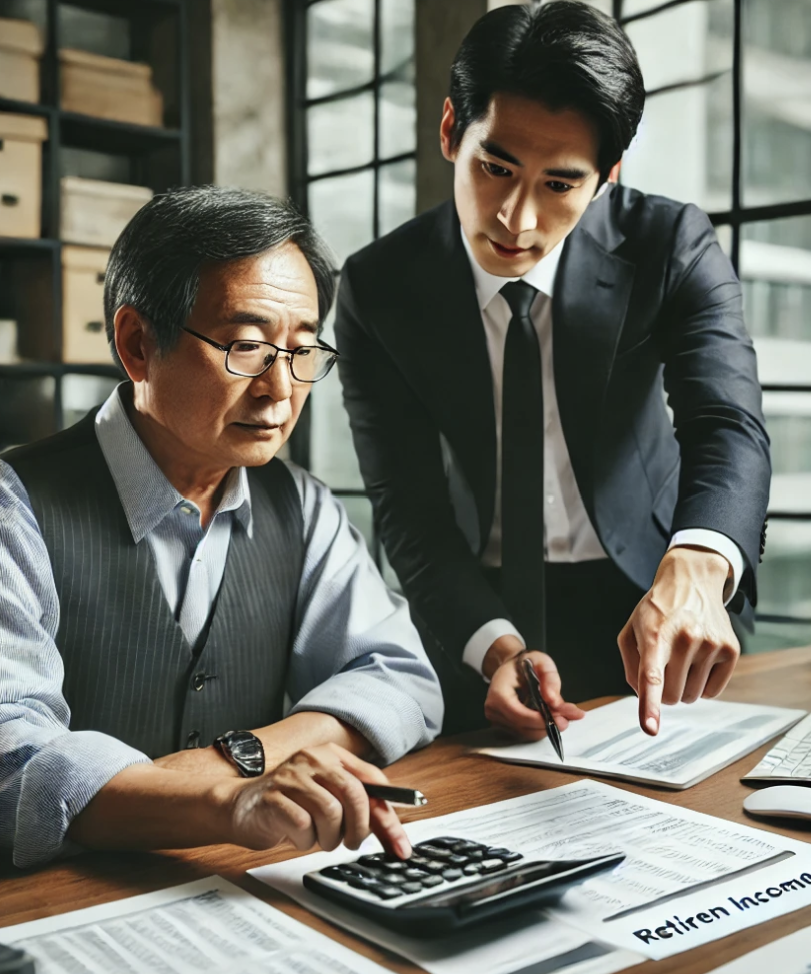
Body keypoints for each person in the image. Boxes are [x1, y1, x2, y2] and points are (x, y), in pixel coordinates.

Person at [336, 1, 770, 738]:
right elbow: (407, 507)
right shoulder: (379, 287)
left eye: (559, 185)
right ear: (450, 131)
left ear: (606, 177)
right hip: (475, 606)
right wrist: (491, 644)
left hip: (655, 597)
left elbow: (725, 423)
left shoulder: (669, 243)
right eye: (494, 167)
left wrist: (697, 565)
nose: (516, 218)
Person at [0, 186, 442, 870]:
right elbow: (13, 757)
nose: (279, 388)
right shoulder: (17, 507)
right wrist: (230, 801)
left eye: (301, 352)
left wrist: (242, 756)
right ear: (137, 343)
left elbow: (401, 677)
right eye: (246, 346)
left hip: (233, 885)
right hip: (53, 905)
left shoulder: (302, 506)